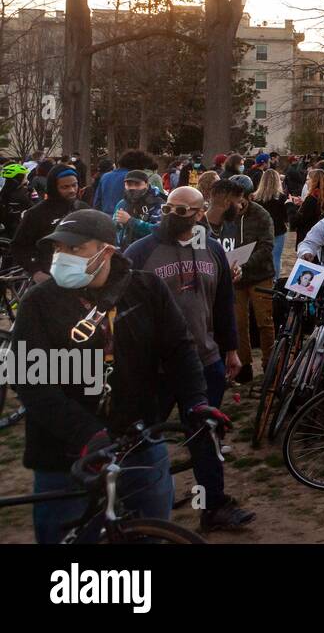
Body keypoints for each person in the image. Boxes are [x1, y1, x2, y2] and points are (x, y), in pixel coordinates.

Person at [13, 209, 230, 543]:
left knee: (150, 531)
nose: (61, 257)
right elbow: (32, 382)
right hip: (65, 456)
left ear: (107, 251)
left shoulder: (147, 289)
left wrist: (196, 403)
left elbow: (179, 350)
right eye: (58, 249)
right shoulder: (39, 303)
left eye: (74, 249)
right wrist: (86, 434)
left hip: (139, 441)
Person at [124, 186, 254, 531]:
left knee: (206, 438)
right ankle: (134, 512)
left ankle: (213, 507)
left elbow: (225, 304)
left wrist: (231, 349)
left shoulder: (211, 250)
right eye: (169, 207)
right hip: (157, 368)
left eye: (184, 210)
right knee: (142, 438)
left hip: (205, 361)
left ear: (200, 214)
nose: (174, 215)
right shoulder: (140, 252)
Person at [208, 178, 276, 383]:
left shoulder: (261, 215)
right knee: (238, 323)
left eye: (243, 201)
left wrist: (244, 266)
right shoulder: (225, 217)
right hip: (234, 279)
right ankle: (244, 367)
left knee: (265, 322)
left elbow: (266, 246)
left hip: (259, 275)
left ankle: (269, 363)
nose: (239, 206)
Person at [9, 165, 88, 278]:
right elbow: (18, 246)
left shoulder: (84, 209)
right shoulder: (36, 213)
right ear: (54, 188)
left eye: (74, 185)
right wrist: (36, 271)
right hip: (49, 275)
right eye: (65, 187)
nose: (71, 190)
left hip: (81, 273)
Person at [252, 168, 290, 278]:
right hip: (277, 231)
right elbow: (285, 217)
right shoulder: (282, 198)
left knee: (260, 257)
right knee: (276, 258)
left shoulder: (255, 198)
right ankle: (275, 280)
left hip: (260, 232)